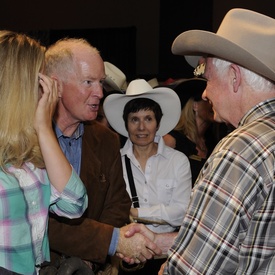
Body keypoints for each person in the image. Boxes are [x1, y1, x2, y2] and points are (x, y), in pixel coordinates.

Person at [119, 8, 275, 274]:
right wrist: (161, 241)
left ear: (235, 78)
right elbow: (243, 241)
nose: (204, 93)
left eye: (208, 79)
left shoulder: (240, 149)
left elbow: (192, 269)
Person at [44, 38, 162, 273]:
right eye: (88, 82)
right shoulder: (27, 141)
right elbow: (38, 221)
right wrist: (106, 242)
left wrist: (89, 258)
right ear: (56, 85)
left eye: (100, 82)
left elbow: (118, 203)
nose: (99, 92)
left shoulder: (106, 139)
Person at [0, 31, 88, 275]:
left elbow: (75, 204)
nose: (51, 92)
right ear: (19, 88)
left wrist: (43, 127)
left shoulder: (29, 157)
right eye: (43, 81)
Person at [103, 79, 192, 274]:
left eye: (148, 119)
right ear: (126, 124)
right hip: (126, 258)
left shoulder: (178, 161)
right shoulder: (114, 161)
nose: (141, 127)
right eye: (135, 119)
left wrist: (137, 213)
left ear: (157, 123)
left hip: (166, 258)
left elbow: (182, 211)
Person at [163, 78, 225, 185]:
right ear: (195, 105)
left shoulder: (213, 142)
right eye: (208, 100)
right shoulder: (172, 140)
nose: (213, 104)